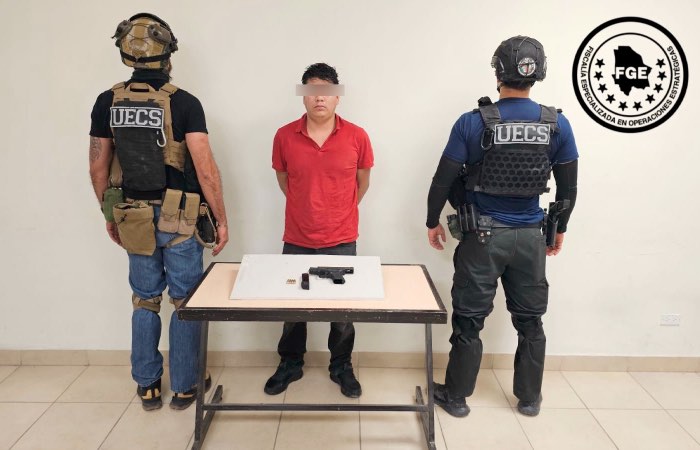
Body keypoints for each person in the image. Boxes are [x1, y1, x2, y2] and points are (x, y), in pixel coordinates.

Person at [426, 36, 579, 418]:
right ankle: (529, 399)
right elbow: (568, 189)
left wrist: (432, 221)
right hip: (530, 238)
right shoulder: (557, 124)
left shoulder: (472, 122)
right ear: (538, 73)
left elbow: (442, 180)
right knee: (530, 322)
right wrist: (559, 229)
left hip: (482, 238)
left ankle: (457, 398)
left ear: (497, 72)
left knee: (469, 321)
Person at [88, 12, 228, 411]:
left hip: (132, 215)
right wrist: (221, 219)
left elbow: (98, 168)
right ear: (168, 55)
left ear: (126, 54)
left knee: (144, 300)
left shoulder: (107, 102)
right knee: (184, 301)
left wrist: (110, 214)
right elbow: (205, 168)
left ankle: (148, 385)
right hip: (179, 216)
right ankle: (185, 386)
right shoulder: (185, 103)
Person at [265, 63, 374, 398]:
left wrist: (336, 211)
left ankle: (341, 366)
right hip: (297, 237)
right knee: (292, 307)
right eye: (312, 91)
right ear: (303, 96)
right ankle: (290, 363)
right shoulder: (285, 136)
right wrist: (307, 208)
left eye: (326, 91)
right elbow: (285, 181)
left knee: (342, 311)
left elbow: (362, 183)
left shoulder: (357, 136)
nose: (319, 98)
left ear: (338, 97)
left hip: (341, 238)